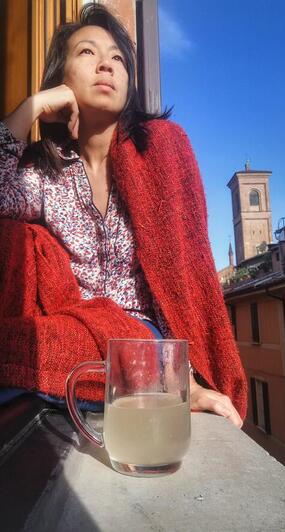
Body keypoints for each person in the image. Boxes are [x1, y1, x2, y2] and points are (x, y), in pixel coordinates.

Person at [0, 3, 247, 427]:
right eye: (87, 53)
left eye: (117, 58)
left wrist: (182, 374)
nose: (106, 65)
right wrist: (32, 107)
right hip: (73, 322)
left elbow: (187, 275)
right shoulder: (45, 173)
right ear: (62, 77)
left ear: (129, 82)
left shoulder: (162, 150)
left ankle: (155, 378)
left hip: (141, 337)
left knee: (32, 346)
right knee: (34, 333)